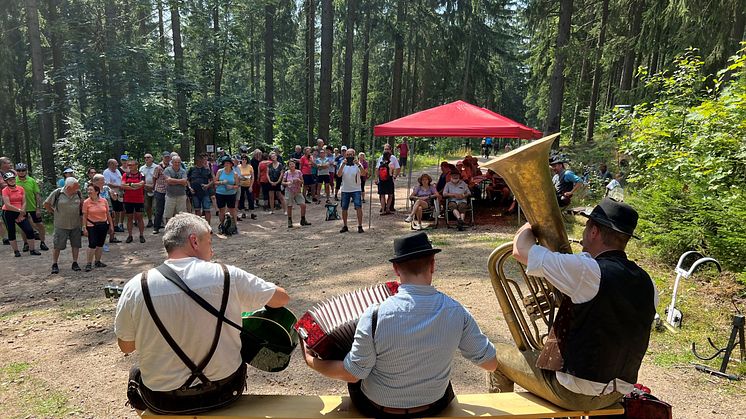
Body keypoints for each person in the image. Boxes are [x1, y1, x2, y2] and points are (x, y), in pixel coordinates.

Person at [302, 231, 497, 417]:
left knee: (355, 364)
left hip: (378, 409)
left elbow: (353, 374)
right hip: (435, 405)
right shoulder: (457, 311)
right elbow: (490, 363)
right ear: (433, 265)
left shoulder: (374, 315)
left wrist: (312, 362)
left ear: (396, 269)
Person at [489, 198, 657, 411]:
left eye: (586, 228)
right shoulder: (648, 282)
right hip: (617, 393)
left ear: (594, 231)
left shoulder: (587, 271)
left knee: (496, 355)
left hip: (574, 393)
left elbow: (520, 250)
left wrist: (532, 224)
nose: (584, 235)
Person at [114, 212, 290, 414]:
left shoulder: (137, 286)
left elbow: (126, 346)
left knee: (136, 372)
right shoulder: (226, 275)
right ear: (194, 241)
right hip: (225, 389)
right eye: (209, 242)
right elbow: (282, 298)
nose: (212, 251)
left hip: (164, 399)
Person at [44, 177, 83, 274]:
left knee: (76, 244)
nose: (78, 187)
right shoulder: (58, 193)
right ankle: (54, 264)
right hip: (61, 224)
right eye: (76, 185)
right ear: (69, 187)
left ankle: (75, 262)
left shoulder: (78, 193)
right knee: (57, 245)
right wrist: (54, 212)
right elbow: (46, 204)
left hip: (75, 224)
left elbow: (82, 205)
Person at [2, 171, 41, 257]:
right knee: (11, 231)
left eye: (13, 179)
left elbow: (24, 201)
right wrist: (19, 210)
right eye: (9, 180)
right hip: (8, 213)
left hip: (20, 211)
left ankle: (32, 249)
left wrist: (21, 213)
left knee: (29, 230)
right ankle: (16, 251)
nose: (12, 181)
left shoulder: (20, 189)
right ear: (6, 181)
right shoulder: (5, 190)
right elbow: (7, 205)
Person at [14, 163, 49, 251]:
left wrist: (38, 208)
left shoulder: (31, 180)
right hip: (21, 209)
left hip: (32, 207)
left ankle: (42, 242)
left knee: (40, 225)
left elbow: (37, 195)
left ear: (26, 171)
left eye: (23, 170)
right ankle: (26, 243)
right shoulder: (14, 181)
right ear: (16, 171)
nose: (21, 172)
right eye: (19, 170)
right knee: (23, 227)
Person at [82, 184, 114, 271]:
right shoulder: (86, 202)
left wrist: (111, 225)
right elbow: (84, 216)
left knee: (100, 244)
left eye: (91, 190)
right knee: (92, 244)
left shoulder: (104, 201)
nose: (89, 192)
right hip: (91, 225)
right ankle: (88, 263)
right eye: (88, 190)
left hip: (103, 224)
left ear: (97, 191)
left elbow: (108, 214)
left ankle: (97, 261)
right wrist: (84, 227)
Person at [337, 148, 364, 234]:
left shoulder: (358, 164)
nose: (349, 156)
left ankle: (360, 226)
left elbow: (363, 174)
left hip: (356, 189)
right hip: (345, 189)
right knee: (344, 208)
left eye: (351, 155)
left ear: (354, 155)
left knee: (358, 207)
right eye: (347, 155)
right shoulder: (343, 163)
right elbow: (339, 175)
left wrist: (358, 164)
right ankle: (345, 226)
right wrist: (343, 165)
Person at [122, 159, 147, 244]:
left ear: (137, 165)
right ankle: (130, 235)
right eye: (129, 165)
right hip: (128, 200)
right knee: (129, 218)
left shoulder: (141, 174)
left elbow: (142, 184)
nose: (130, 167)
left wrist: (130, 185)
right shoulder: (126, 175)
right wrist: (134, 186)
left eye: (132, 165)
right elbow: (123, 185)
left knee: (140, 217)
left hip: (139, 199)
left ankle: (141, 235)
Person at [282, 159, 311, 228]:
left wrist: (299, 180)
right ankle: (289, 220)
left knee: (303, 205)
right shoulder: (286, 173)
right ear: (288, 166)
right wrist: (288, 183)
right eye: (290, 164)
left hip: (297, 191)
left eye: (293, 164)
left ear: (295, 165)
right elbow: (282, 182)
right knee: (289, 206)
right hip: (289, 191)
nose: (292, 165)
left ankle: (303, 219)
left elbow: (303, 182)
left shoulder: (299, 172)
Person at [187, 154, 214, 225]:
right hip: (195, 193)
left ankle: (208, 227)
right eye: (199, 160)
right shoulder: (192, 169)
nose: (200, 162)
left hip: (205, 193)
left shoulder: (207, 170)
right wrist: (190, 188)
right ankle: (198, 226)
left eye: (202, 160)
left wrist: (207, 185)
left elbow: (213, 180)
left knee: (207, 210)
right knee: (197, 210)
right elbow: (187, 180)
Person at [215, 155, 240, 229]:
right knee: (221, 210)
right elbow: (215, 182)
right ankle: (222, 225)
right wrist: (222, 182)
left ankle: (234, 226)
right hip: (220, 193)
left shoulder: (235, 174)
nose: (226, 165)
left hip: (231, 194)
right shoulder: (220, 171)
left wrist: (232, 187)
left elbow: (237, 185)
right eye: (225, 163)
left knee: (232, 210)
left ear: (231, 164)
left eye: (228, 163)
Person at [151, 152, 171, 234]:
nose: (166, 159)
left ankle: (169, 227)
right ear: (162, 157)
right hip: (160, 191)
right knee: (159, 210)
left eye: (168, 157)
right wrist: (154, 188)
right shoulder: (158, 167)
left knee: (169, 210)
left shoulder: (171, 167)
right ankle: (156, 227)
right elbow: (154, 178)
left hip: (169, 191)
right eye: (165, 157)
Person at [163, 156, 188, 220]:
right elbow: (168, 181)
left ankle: (180, 230)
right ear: (172, 162)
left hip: (181, 195)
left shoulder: (183, 171)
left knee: (182, 216)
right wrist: (180, 181)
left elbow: (185, 182)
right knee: (168, 215)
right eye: (175, 162)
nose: (177, 164)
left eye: (179, 162)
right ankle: (169, 229)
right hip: (170, 196)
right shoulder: (167, 170)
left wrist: (172, 181)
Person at [104, 159, 125, 232]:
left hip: (119, 192)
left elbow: (121, 179)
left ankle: (116, 225)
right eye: (115, 164)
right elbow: (108, 183)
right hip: (111, 193)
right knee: (112, 210)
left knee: (119, 209)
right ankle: (111, 225)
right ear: (110, 165)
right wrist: (119, 186)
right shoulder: (106, 172)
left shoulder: (117, 171)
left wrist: (122, 186)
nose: (117, 165)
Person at [139, 154, 157, 228]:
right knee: (147, 206)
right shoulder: (141, 168)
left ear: (152, 159)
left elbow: (159, 178)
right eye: (145, 157)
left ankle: (158, 221)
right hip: (146, 189)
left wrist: (153, 186)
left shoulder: (157, 167)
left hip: (156, 189)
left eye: (148, 157)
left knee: (156, 206)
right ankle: (150, 220)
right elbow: (140, 179)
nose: (146, 158)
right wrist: (145, 186)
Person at [375, 151, 395, 215]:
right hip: (389, 181)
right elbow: (391, 173)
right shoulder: (390, 163)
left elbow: (377, 171)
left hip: (381, 181)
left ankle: (383, 210)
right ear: (389, 157)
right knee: (390, 195)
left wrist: (377, 178)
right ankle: (388, 209)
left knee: (382, 195)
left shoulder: (380, 163)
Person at [237, 155, 256, 220]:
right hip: (241, 185)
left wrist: (251, 186)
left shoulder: (250, 167)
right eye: (243, 159)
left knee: (250, 198)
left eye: (245, 159)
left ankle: (252, 213)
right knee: (241, 199)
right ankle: (243, 213)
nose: (244, 160)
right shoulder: (238, 167)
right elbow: (237, 176)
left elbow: (253, 177)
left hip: (248, 185)